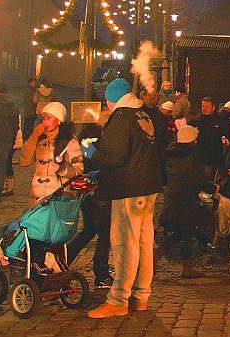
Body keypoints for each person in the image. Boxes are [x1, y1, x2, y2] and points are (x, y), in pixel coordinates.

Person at [86, 78, 169, 319]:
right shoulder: (144, 114)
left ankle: (118, 299)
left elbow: (114, 157)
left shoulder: (122, 117)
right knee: (144, 243)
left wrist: (91, 153)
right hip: (148, 186)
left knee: (125, 244)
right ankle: (140, 296)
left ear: (112, 100)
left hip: (128, 188)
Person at [159, 125, 213, 277]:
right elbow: (197, 178)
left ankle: (155, 257)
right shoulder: (191, 157)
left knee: (179, 232)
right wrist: (211, 187)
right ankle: (187, 268)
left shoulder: (170, 154)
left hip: (172, 195)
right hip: (186, 198)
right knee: (187, 233)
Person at [67, 124, 113, 289]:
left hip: (87, 194)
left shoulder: (84, 143)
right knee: (104, 233)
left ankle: (65, 259)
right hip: (96, 194)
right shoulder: (93, 144)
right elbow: (98, 166)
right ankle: (101, 274)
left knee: (88, 230)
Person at [19, 101, 82, 202]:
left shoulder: (69, 141)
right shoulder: (39, 140)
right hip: (38, 196)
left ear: (59, 121)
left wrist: (62, 169)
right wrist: (34, 136)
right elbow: (24, 161)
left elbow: (78, 171)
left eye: (49, 118)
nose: (45, 122)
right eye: (44, 118)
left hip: (59, 196)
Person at [192, 97, 230, 179]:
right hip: (200, 155)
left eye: (206, 106)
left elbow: (225, 135)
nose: (204, 108)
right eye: (203, 106)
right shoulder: (197, 121)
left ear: (213, 107)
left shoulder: (219, 121)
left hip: (214, 155)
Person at [0, 83, 18, 201]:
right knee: (0, 167)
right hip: (7, 140)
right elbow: (16, 125)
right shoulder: (13, 105)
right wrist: (12, 140)